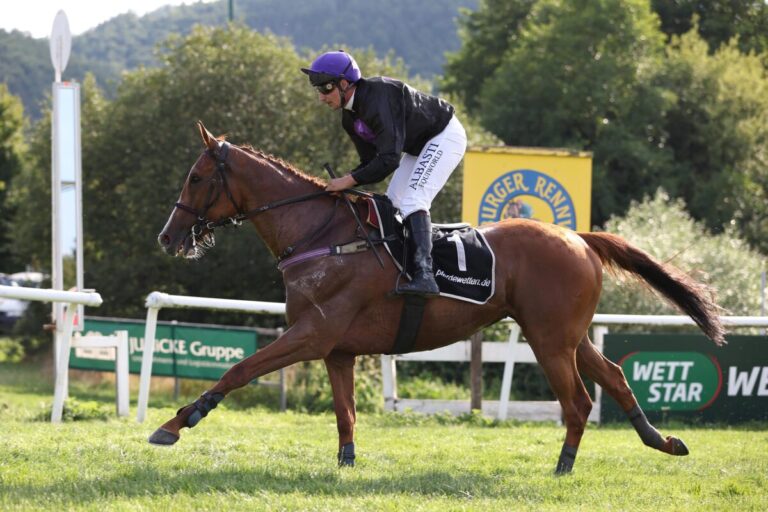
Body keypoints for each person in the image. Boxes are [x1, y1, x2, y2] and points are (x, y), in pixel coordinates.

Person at [301, 50, 467, 297]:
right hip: (418, 147)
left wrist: (346, 181)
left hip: (444, 135)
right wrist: (343, 183)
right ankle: (407, 267)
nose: (321, 98)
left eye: (325, 89)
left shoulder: (378, 97)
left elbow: (389, 160)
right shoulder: (350, 118)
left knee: (413, 199)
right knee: (395, 203)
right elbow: (370, 162)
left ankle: (426, 276)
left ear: (344, 83)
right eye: (318, 90)